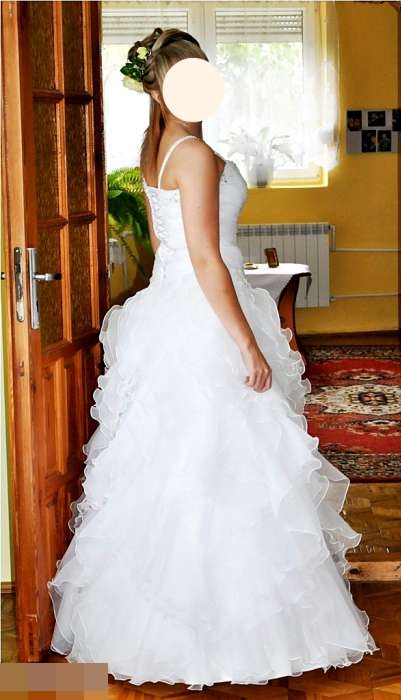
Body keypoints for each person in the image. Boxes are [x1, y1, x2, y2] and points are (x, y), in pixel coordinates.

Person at [47, 27, 380, 691]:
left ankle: (160, 628)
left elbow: (177, 247)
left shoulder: (156, 147)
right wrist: (248, 343)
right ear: (162, 90)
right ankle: (227, 635)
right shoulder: (194, 153)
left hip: (171, 312)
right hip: (203, 319)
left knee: (180, 470)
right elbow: (204, 259)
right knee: (222, 466)